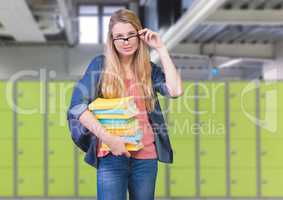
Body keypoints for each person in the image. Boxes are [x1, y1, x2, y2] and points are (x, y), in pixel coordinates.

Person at [67, 9, 183, 200]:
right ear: (111, 41)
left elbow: (176, 90)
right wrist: (111, 140)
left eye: (131, 35)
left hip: (146, 157)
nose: (126, 41)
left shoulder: (148, 69)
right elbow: (77, 107)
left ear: (139, 35)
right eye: (119, 37)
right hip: (111, 154)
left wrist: (161, 49)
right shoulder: (100, 65)